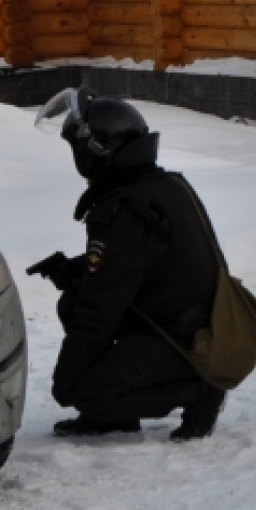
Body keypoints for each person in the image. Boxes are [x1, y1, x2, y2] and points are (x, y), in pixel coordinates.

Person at [28, 89, 228, 441]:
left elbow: (101, 307)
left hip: (186, 337)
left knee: (86, 391)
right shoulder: (161, 186)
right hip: (187, 319)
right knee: (73, 300)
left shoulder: (126, 209)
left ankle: (200, 390)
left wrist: (66, 381)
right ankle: (111, 419)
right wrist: (77, 271)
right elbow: (136, 265)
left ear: (98, 150)